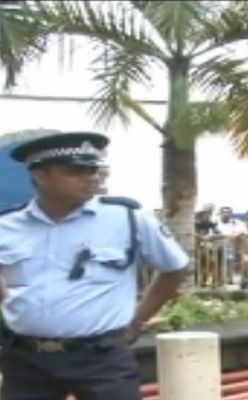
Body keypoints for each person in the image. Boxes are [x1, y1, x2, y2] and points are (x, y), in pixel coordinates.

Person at [0, 131, 189, 400]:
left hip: (102, 359)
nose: (91, 177)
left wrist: (137, 321)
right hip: (26, 360)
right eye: (76, 170)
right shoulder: (6, 225)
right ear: (41, 176)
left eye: (94, 169)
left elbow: (174, 268)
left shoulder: (127, 218)